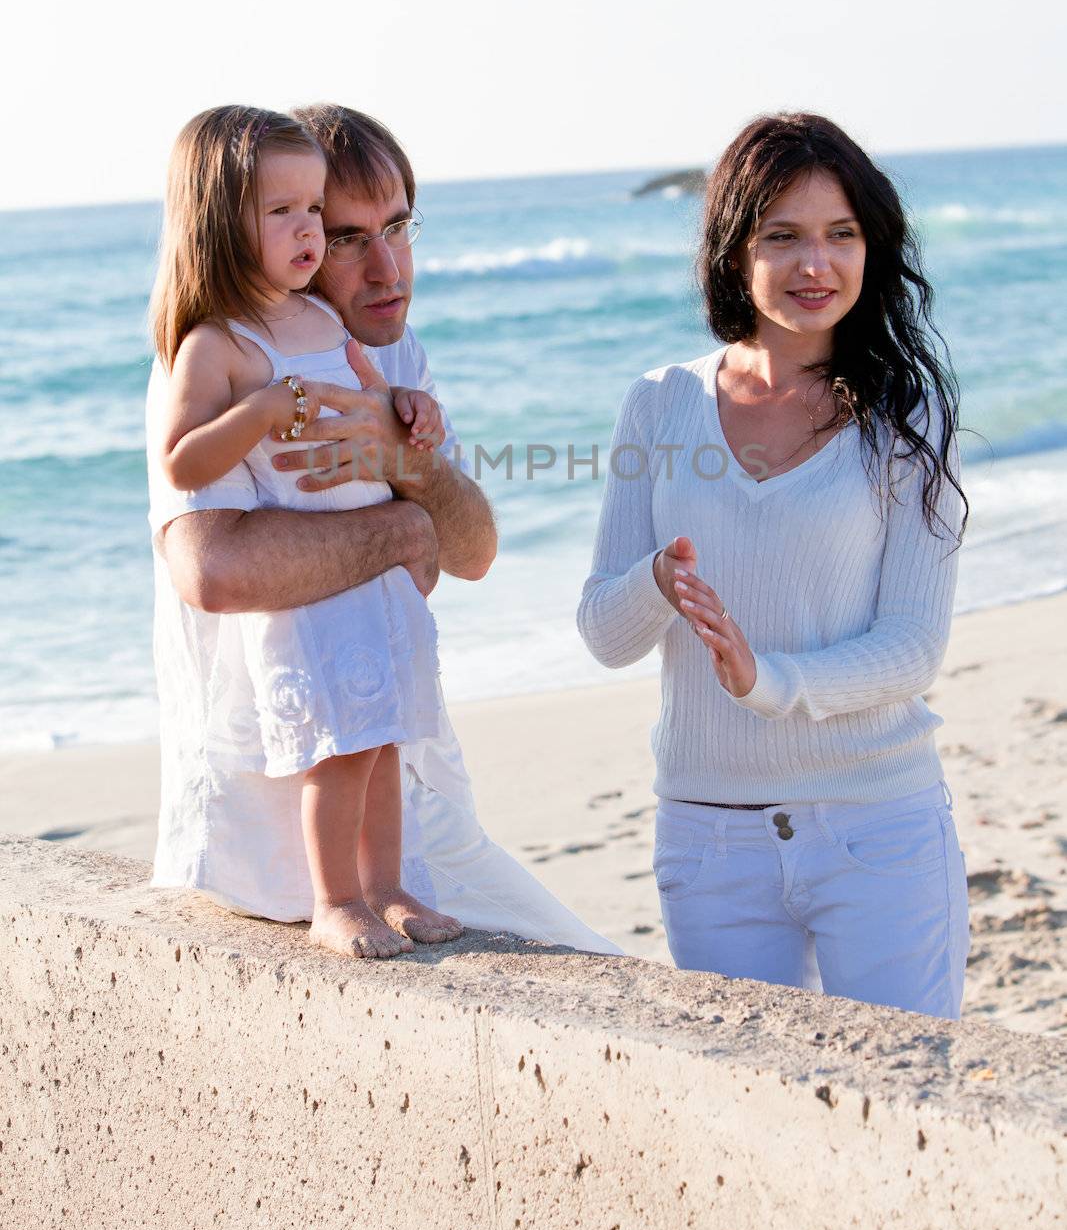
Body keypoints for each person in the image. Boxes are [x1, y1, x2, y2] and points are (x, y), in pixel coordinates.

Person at [147, 102, 616, 957]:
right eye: (346, 234)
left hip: (414, 792)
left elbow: (470, 553)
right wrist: (403, 531)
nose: (387, 266)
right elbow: (211, 570)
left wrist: (414, 467)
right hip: (268, 835)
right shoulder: (221, 356)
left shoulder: (377, 347)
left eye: (397, 226)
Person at [578, 112, 970, 1018]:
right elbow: (602, 631)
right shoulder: (658, 403)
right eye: (781, 237)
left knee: (905, 1104)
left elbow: (912, 648)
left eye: (841, 235)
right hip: (708, 840)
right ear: (733, 250)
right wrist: (657, 583)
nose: (814, 265)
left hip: (878, 826)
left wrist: (769, 681)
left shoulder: (906, 418)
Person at [151, 103, 462, 959]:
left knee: (383, 735)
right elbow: (188, 488)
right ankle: (338, 898)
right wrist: (258, 410)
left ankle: (388, 887)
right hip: (300, 611)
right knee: (340, 743)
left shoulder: (331, 326)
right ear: (222, 226)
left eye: (314, 214)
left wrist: (411, 419)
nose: (311, 235)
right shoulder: (215, 347)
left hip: (370, 582)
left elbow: (380, 402)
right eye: (288, 214)